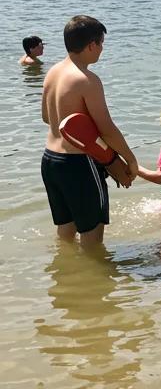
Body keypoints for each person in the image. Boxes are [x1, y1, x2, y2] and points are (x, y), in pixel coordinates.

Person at [40, 15, 138, 244]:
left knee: (65, 231)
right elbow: (106, 130)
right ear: (91, 45)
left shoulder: (53, 72)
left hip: (50, 161)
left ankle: (66, 277)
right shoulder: (87, 80)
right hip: (78, 165)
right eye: (101, 44)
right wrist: (130, 159)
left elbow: (46, 117)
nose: (102, 49)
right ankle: (95, 277)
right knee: (92, 236)